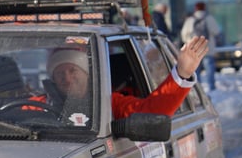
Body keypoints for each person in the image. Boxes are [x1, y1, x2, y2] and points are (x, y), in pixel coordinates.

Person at [28, 36, 209, 121]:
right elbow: (10, 119)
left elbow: (153, 112)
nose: (66, 78)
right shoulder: (39, 104)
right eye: (60, 74)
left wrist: (182, 72)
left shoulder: (109, 104)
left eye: (73, 71)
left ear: (87, 74)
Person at [180, 2, 221, 91]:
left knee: (195, 70)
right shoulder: (209, 18)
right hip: (207, 48)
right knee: (209, 68)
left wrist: (188, 42)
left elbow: (183, 34)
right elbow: (216, 31)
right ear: (204, 8)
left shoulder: (190, 20)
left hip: (194, 50)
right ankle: (211, 87)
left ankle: (197, 88)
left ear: (195, 9)